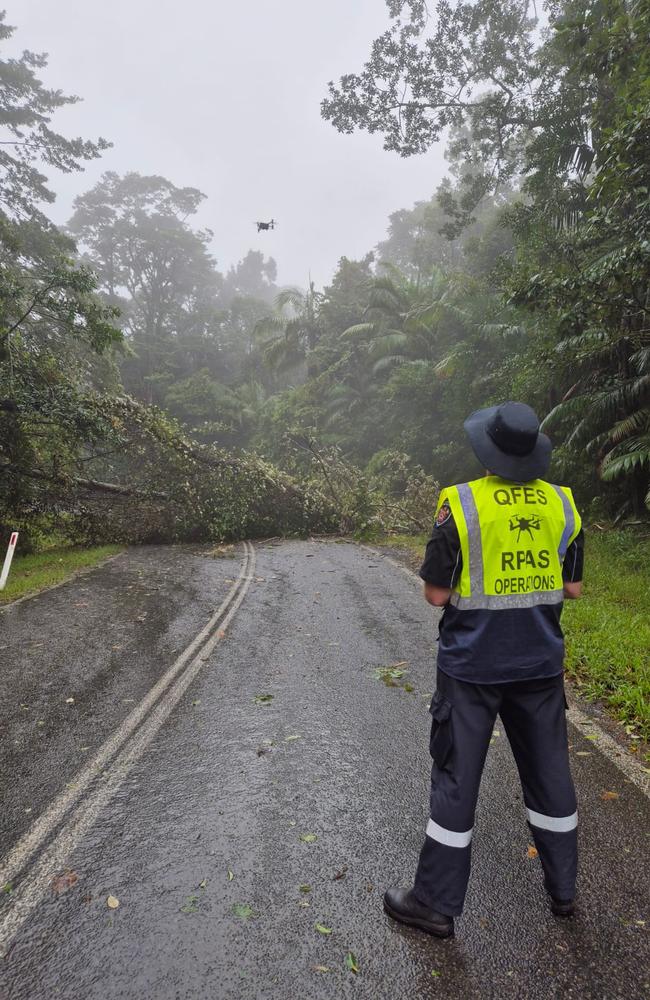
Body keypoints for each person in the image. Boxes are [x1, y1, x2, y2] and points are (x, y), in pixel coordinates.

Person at [383, 401, 584, 938]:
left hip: (472, 669)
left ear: (488, 451)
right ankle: (563, 892)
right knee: (550, 774)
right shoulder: (563, 504)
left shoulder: (461, 503)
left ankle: (435, 903)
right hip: (540, 664)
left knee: (456, 780)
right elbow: (573, 587)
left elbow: (435, 593)